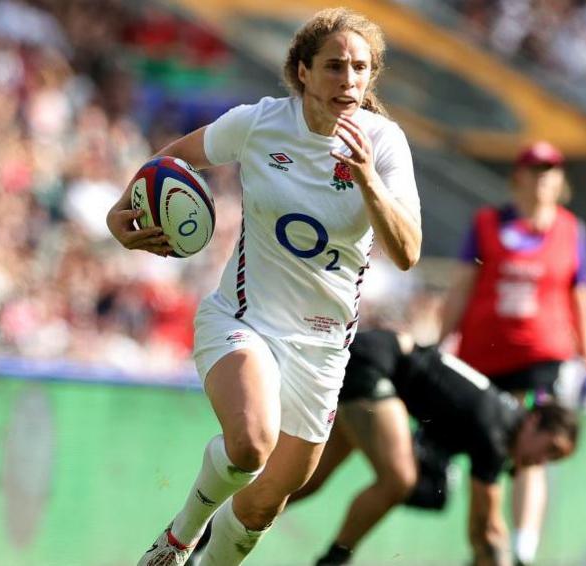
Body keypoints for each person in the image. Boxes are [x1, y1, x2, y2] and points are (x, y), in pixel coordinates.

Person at [105, 8, 421, 565]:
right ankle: (178, 539)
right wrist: (120, 214)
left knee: (259, 509)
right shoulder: (260, 123)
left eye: (359, 68)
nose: (347, 79)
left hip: (322, 350)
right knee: (251, 443)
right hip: (243, 319)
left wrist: (369, 179)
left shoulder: (385, 144)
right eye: (334, 66)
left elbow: (407, 252)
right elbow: (172, 159)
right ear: (302, 72)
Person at [190, 328, 579, 566]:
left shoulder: (503, 421)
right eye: (549, 450)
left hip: (376, 362)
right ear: (534, 421)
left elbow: (483, 532)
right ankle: (334, 560)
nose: (539, 463)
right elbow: (486, 526)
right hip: (374, 365)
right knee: (399, 479)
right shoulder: (498, 434)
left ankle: (199, 539)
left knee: (301, 482)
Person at [439, 140, 586, 566]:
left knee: (535, 447)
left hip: (540, 357)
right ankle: (486, 545)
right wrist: (442, 339)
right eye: (535, 169)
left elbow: (579, 296)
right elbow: (462, 286)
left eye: (551, 170)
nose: (543, 178)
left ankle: (523, 548)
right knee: (485, 450)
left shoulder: (571, 231)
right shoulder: (486, 224)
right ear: (517, 176)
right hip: (482, 356)